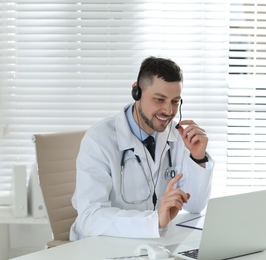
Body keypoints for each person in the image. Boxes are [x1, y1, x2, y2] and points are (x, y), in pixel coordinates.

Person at [70, 56, 214, 240]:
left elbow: (194, 207)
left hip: (151, 246)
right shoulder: (99, 140)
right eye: (160, 99)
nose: (169, 111)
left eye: (175, 101)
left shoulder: (177, 136)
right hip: (101, 246)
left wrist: (198, 158)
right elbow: (90, 218)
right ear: (136, 92)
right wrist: (153, 221)